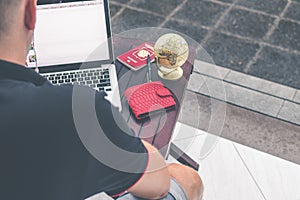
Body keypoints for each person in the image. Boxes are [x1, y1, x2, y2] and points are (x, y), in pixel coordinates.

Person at [0, 0, 203, 199]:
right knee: (186, 178)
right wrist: (114, 133)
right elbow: (159, 184)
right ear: (30, 13)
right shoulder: (73, 111)